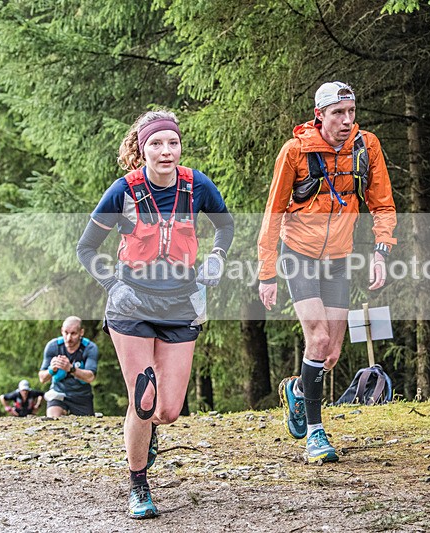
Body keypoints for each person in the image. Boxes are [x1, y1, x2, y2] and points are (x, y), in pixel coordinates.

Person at [76, 110, 233, 519]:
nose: (166, 151)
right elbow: (86, 248)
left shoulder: (197, 186)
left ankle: (147, 432)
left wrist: (216, 257)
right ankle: (138, 484)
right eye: (156, 144)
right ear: (141, 148)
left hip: (181, 304)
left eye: (172, 143)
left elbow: (226, 227)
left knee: (167, 411)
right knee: (143, 400)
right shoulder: (123, 191)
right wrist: (114, 286)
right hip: (132, 306)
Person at [257, 81, 396, 464]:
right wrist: (267, 272)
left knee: (331, 353)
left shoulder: (367, 147)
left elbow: (382, 204)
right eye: (338, 113)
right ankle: (316, 435)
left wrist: (381, 252)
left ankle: (299, 391)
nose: (347, 121)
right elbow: (272, 213)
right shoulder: (296, 152)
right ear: (319, 116)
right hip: (298, 254)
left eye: (351, 112)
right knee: (317, 339)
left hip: (339, 258)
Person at [38, 316, 99, 419]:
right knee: (53, 420)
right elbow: (42, 378)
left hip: (82, 396)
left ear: (81, 332)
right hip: (58, 393)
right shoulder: (53, 346)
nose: (69, 338)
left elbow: (90, 377)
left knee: (85, 426)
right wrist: (51, 370)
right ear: (62, 331)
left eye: (73, 333)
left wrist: (71, 369)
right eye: (66, 333)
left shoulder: (90, 348)